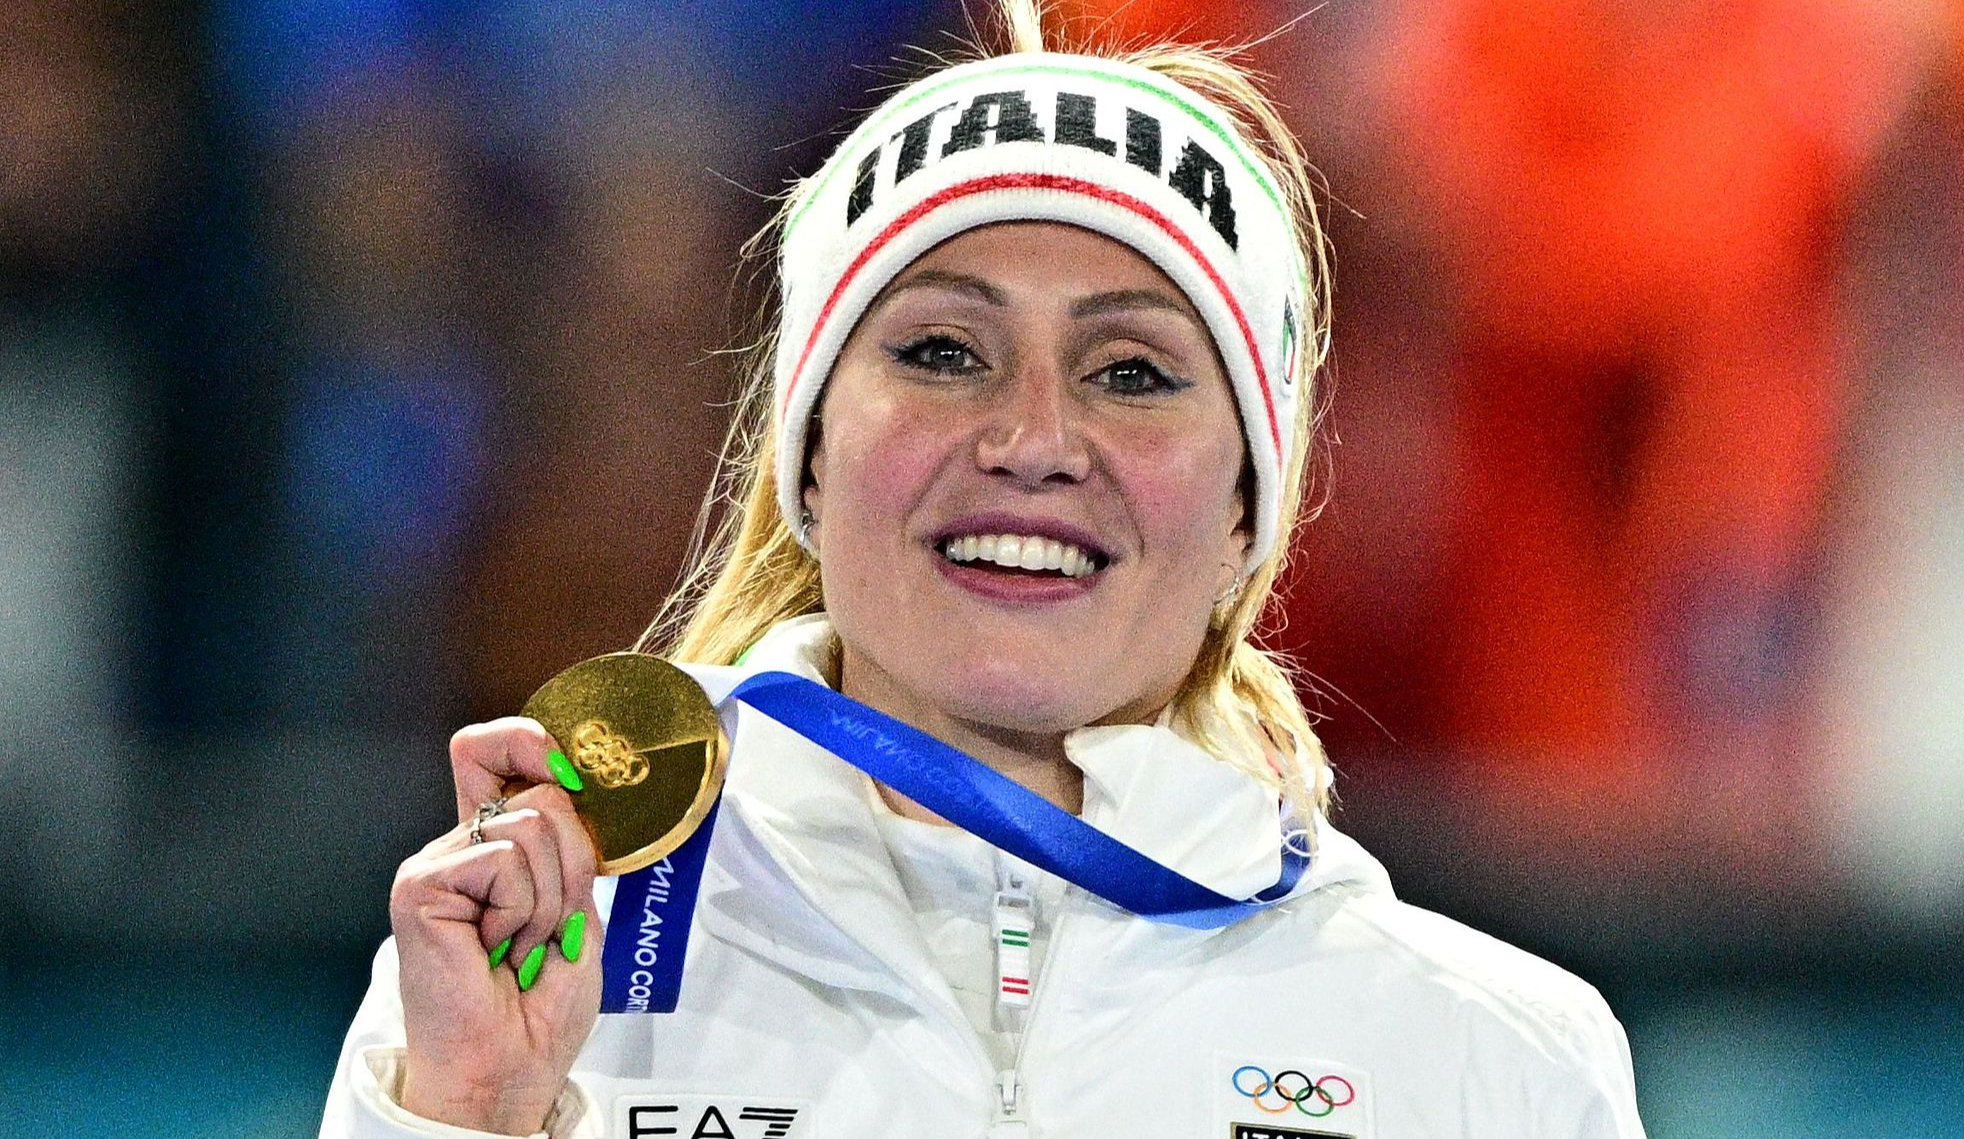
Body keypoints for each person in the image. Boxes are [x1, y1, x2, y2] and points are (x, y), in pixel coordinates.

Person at [320, 4, 1647, 1136]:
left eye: (1132, 372)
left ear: (1250, 507)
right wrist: (468, 1114)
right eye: (943, 351)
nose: (1031, 440)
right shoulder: (539, 971)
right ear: (811, 453)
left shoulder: (1490, 1059)